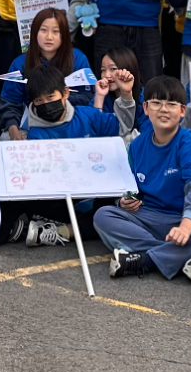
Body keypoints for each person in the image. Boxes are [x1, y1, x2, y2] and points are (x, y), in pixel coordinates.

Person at [97, 74, 191, 282]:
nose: (163, 109)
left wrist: (186, 226)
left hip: (183, 217)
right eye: (156, 103)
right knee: (103, 216)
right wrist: (124, 201)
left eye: (171, 104)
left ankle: (146, 260)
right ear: (145, 108)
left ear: (182, 111)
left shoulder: (189, 143)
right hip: (147, 217)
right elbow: (131, 186)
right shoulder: (137, 145)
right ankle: (183, 255)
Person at [9, 63, 120, 247]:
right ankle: (70, 227)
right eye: (39, 101)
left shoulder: (88, 116)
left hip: (93, 189)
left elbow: (122, 127)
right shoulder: (35, 135)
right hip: (59, 199)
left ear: (65, 93)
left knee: (114, 206)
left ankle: (61, 231)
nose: (46, 104)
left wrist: (126, 96)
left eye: (51, 97)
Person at [0, 9, 98, 135]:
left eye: (56, 31)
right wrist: (13, 129)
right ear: (34, 32)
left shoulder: (78, 58)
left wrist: (57, 103)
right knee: (5, 138)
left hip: (71, 122)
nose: (49, 37)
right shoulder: (19, 63)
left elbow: (87, 96)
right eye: (43, 30)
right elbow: (9, 103)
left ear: (64, 35)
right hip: (32, 124)